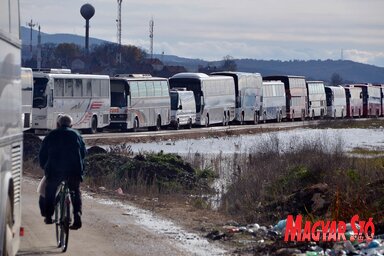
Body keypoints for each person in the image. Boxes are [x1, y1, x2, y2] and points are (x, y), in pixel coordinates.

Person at [39, 114, 86, 230]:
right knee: (75, 191)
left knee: (50, 190)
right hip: (73, 169)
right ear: (71, 125)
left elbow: (42, 153)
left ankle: (49, 216)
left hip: (55, 170)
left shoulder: (51, 135)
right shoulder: (76, 134)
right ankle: (77, 217)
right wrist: (81, 169)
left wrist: (45, 167)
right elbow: (83, 153)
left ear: (58, 124)